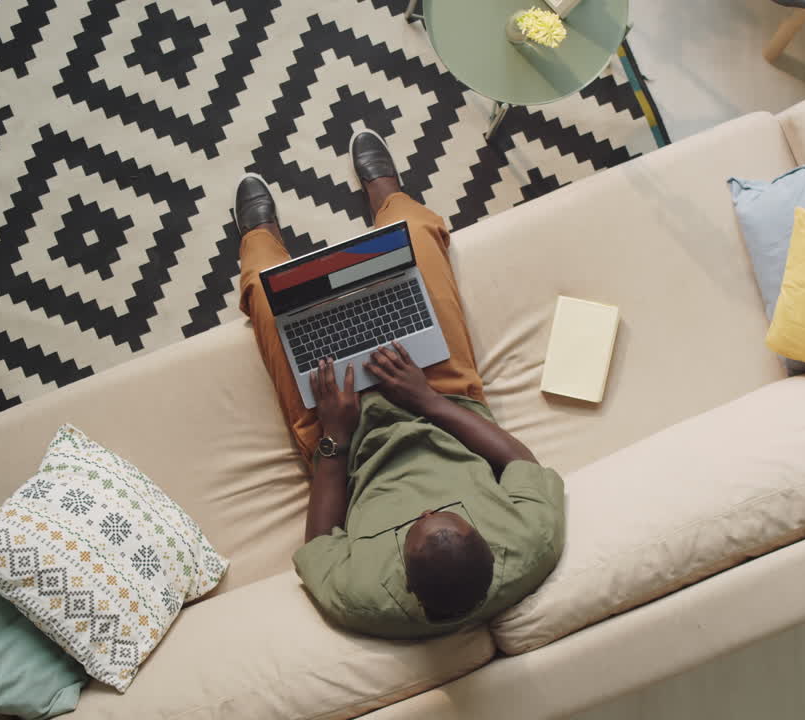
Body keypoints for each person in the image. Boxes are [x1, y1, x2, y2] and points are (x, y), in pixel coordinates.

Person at [235, 130, 566, 639]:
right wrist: (428, 400)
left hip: (343, 440)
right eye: (449, 515)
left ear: (406, 583)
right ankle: (385, 194)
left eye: (418, 524)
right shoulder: (532, 545)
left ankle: (259, 238)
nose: (429, 508)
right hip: (442, 395)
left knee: (265, 289)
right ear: (486, 544)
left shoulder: (363, 601)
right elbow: (522, 464)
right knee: (412, 232)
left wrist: (335, 435)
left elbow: (320, 543)